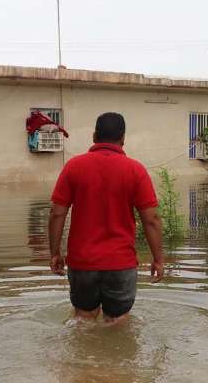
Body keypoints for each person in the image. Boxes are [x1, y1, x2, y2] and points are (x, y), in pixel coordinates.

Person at [49, 112, 164, 324]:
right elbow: (151, 220)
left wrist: (55, 253)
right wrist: (158, 258)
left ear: (94, 136)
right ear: (123, 139)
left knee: (83, 320)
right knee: (118, 322)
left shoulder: (74, 167)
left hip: (83, 263)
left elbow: (57, 213)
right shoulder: (135, 170)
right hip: (121, 264)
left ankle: (79, 359)